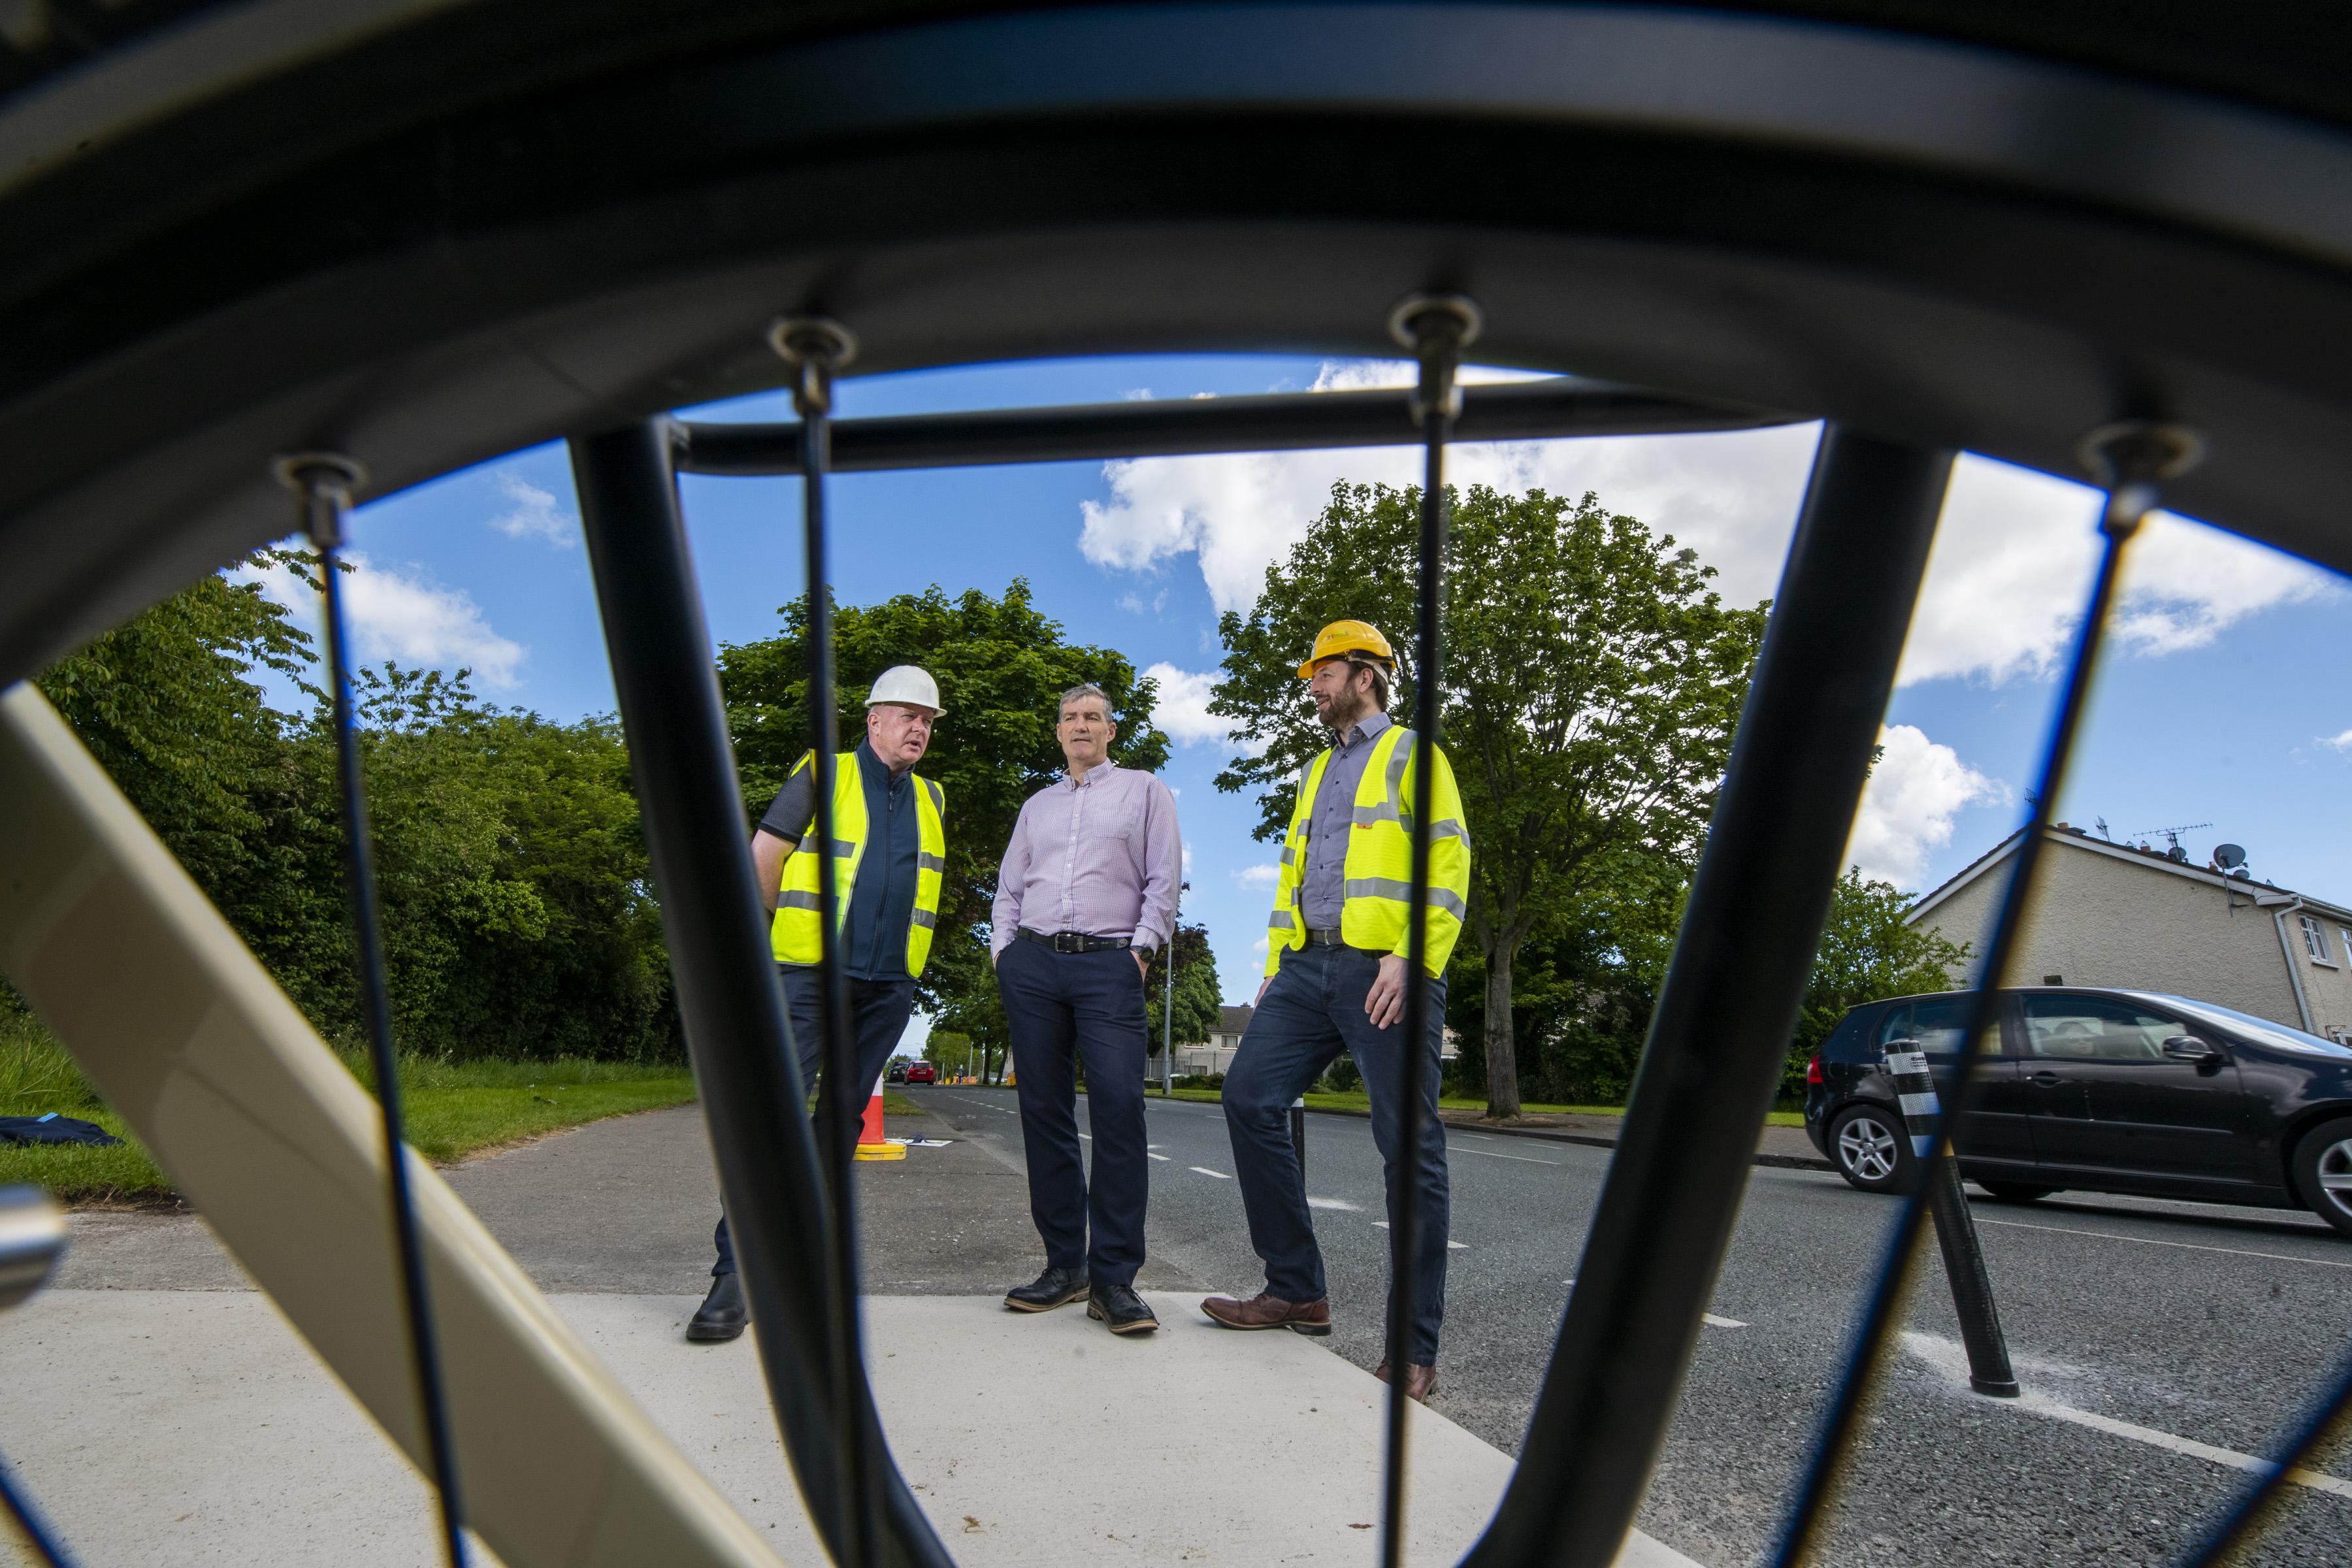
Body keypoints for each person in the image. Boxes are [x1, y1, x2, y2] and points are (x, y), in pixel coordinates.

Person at [1200, 621, 1470, 1403]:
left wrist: (1413, 956)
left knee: (1407, 1147)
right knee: (1249, 1096)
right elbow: (1298, 873)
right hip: (1304, 967)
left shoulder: (1416, 754)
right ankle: (1297, 1289)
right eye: (1311, 674)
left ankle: (1413, 1347)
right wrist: (1278, 963)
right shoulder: (1317, 771)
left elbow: (1448, 858)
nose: (1312, 686)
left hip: (1385, 969)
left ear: (1367, 673)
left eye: (1323, 672)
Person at [687, 664, 948, 1343]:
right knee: (774, 1115)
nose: (918, 727)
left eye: (926, 720)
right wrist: (769, 941)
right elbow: (764, 855)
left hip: (887, 989)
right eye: (906, 715)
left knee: (837, 1126)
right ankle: (733, 1274)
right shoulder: (822, 772)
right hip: (805, 976)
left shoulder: (934, 798)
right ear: (873, 720)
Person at [992, 683, 1180, 1335]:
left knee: (1119, 1110)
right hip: (1035, 965)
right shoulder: (1036, 807)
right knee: (1043, 1113)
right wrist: (1004, 956)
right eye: (1070, 717)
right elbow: (1009, 890)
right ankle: (1064, 1267)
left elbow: (1162, 879)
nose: (1081, 726)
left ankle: (1116, 1281)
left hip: (1110, 966)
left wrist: (1141, 953)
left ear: (1111, 731)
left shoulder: (1145, 791)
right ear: (1058, 731)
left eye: (1092, 717)